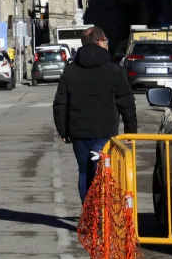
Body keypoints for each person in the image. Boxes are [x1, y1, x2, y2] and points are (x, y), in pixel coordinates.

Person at [52, 26, 138, 203]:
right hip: (104, 133)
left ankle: (88, 215)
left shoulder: (70, 70)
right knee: (103, 173)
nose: (107, 43)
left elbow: (60, 102)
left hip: (78, 133)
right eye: (106, 40)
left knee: (84, 172)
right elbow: (126, 102)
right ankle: (101, 216)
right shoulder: (114, 70)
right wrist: (131, 129)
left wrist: (63, 131)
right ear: (99, 42)